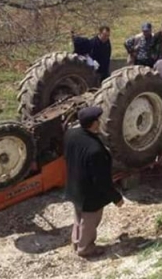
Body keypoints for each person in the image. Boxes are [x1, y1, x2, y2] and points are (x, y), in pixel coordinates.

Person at [64, 106, 124, 258]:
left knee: (78, 216)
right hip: (90, 193)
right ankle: (85, 248)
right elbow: (102, 180)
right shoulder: (95, 150)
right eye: (98, 120)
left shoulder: (71, 134)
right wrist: (116, 197)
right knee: (90, 221)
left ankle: (77, 241)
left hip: (74, 184)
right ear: (94, 124)